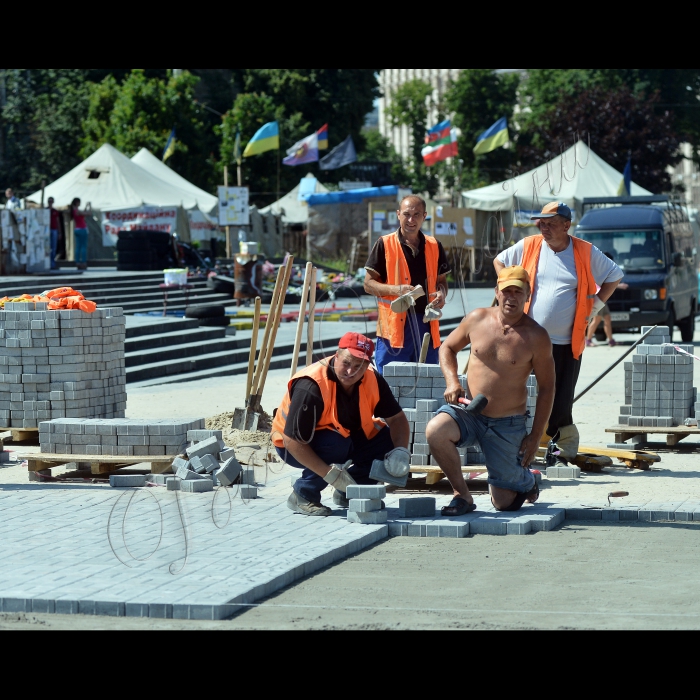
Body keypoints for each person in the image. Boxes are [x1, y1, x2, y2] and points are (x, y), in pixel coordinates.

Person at [494, 202, 623, 466]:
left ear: (567, 225)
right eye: (542, 223)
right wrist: (509, 287)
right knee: (523, 395)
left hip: (566, 342)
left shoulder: (584, 251)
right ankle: (519, 447)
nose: (544, 228)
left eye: (551, 223)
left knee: (561, 398)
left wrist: (595, 306)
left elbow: (614, 275)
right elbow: (499, 261)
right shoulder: (530, 245)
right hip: (527, 340)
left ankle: (560, 452)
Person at [426, 266, 555, 515]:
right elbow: (447, 348)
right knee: (436, 431)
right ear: (497, 292)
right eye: (507, 291)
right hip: (470, 412)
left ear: (528, 294)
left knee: (504, 504)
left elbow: (548, 388)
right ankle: (462, 495)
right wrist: (452, 381)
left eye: (519, 291)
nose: (512, 297)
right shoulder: (477, 319)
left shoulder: (537, 336)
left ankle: (527, 480)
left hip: (507, 424)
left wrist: (535, 436)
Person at [272, 332, 410, 517]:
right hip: (291, 445)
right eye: (346, 362)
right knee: (337, 445)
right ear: (336, 357)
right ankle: (304, 494)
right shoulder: (311, 385)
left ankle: (350, 492)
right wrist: (329, 474)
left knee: (385, 441)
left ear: (368, 365)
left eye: (358, 366)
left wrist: (400, 451)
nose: (350, 371)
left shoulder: (372, 379)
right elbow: (292, 440)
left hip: (341, 436)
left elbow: (397, 419)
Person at [364, 195, 451, 375]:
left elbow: (442, 282)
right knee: (390, 385)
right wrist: (397, 290)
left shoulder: (435, 245)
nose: (411, 220)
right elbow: (368, 284)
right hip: (393, 328)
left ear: (424, 216)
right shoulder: (384, 244)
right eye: (406, 214)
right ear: (398, 214)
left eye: (416, 214)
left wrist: (442, 293)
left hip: (426, 324)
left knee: (426, 382)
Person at [69, 198, 91, 270]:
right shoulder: (77, 211)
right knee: (83, 246)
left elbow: (82, 213)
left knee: (78, 246)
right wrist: (89, 206)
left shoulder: (74, 211)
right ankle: (83, 262)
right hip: (82, 229)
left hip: (77, 229)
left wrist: (85, 207)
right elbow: (88, 213)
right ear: (77, 202)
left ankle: (77, 262)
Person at [47, 197, 64, 270]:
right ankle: (47, 263)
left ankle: (52, 263)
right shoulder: (45, 210)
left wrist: (59, 232)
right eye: (49, 201)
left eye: (51, 201)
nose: (50, 203)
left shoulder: (55, 211)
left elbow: (58, 222)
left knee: (53, 248)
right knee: (47, 247)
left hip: (54, 230)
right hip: (47, 230)